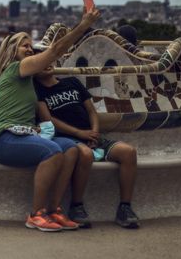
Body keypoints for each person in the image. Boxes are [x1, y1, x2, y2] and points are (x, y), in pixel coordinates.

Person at [0, 7, 100, 232]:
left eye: (31, 45)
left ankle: (54, 210)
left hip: (22, 136)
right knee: (52, 152)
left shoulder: (28, 80)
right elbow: (55, 50)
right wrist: (84, 25)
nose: (30, 49)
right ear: (11, 50)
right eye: (24, 45)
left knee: (70, 149)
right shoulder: (16, 68)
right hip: (3, 138)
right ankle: (36, 214)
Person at [33, 67, 139, 228]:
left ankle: (125, 207)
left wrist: (94, 133)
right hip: (67, 138)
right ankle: (76, 206)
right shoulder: (37, 90)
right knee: (85, 154)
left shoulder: (72, 82)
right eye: (42, 62)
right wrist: (79, 133)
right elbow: (49, 120)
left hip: (91, 136)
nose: (46, 64)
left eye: (49, 61)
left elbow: (91, 111)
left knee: (128, 152)